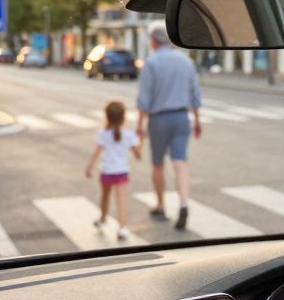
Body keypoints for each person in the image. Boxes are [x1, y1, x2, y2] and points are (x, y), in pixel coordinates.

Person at [136, 21, 202, 230]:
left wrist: (139, 123)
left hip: (159, 119)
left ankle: (161, 204)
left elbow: (144, 99)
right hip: (182, 117)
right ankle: (183, 204)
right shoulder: (186, 61)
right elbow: (195, 94)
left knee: (157, 164)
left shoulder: (152, 62)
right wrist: (198, 119)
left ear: (153, 40)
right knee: (180, 162)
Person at [85, 100, 141, 242]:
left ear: (107, 116)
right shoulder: (128, 135)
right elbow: (138, 155)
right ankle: (122, 228)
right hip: (121, 172)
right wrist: (142, 140)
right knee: (121, 200)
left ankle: (103, 218)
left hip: (107, 172)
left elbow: (97, 152)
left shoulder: (103, 133)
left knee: (105, 195)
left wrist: (89, 167)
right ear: (123, 117)